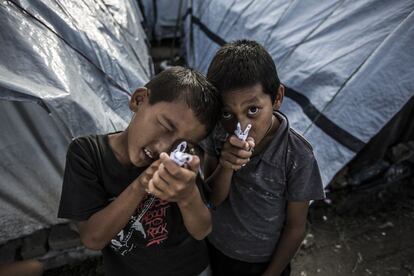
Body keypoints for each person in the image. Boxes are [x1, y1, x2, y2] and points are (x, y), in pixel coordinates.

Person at [58, 66, 221, 276]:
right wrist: (141, 184)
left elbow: (201, 230)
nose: (164, 148)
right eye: (165, 125)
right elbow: (92, 238)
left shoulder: (178, 168)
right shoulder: (88, 154)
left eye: (181, 144)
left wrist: (187, 195)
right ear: (139, 100)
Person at [201, 40, 325, 276]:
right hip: (216, 246)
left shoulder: (297, 156)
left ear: (277, 97)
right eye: (227, 113)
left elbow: (295, 227)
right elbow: (212, 200)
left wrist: (272, 273)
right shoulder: (217, 132)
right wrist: (226, 166)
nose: (241, 126)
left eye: (253, 110)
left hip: (263, 262)